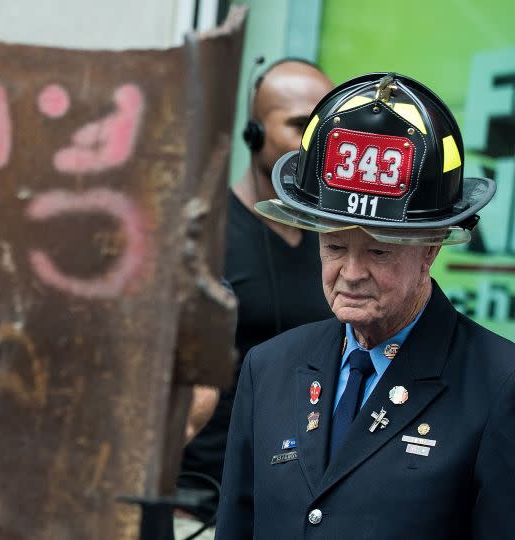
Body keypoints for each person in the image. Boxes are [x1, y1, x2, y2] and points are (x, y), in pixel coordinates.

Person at [215, 72, 515, 539]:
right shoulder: (268, 369)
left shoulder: (498, 385)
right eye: (334, 247)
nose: (351, 273)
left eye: (379, 251)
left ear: (432, 246)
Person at [176, 59, 335, 533]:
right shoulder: (203, 235)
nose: (315, 143)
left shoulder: (337, 243)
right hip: (199, 501)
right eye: (299, 125)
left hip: (298, 504)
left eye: (324, 129)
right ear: (253, 132)